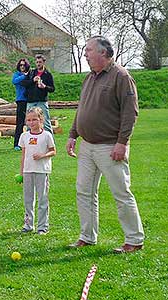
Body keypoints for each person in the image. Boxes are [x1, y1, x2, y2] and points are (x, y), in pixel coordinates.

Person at [66, 36, 144, 253]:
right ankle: (87, 236)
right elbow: (82, 109)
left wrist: (122, 142)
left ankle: (134, 239)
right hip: (87, 147)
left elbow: (130, 113)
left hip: (110, 147)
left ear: (104, 52)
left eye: (88, 50)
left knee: (121, 193)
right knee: (84, 191)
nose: (85, 54)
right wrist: (73, 134)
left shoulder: (121, 76)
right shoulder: (89, 78)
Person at [18, 107, 56, 235]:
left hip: (42, 171)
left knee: (42, 199)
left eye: (34, 119)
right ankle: (28, 225)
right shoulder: (24, 136)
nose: (31, 122)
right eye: (29, 120)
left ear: (41, 120)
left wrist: (43, 155)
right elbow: (23, 155)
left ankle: (42, 227)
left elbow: (53, 151)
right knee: (28, 199)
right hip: (28, 171)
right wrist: (21, 172)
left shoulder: (46, 135)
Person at [22, 54, 55, 134]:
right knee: (29, 123)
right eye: (37, 62)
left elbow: (52, 89)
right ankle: (29, 143)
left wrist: (45, 87)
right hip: (31, 101)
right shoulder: (31, 73)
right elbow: (24, 83)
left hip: (42, 101)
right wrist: (32, 80)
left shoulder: (48, 74)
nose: (38, 64)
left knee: (46, 123)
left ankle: (50, 143)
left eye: (40, 62)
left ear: (44, 63)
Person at [12, 58, 31, 151]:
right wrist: (24, 76)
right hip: (21, 100)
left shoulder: (29, 74)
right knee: (19, 123)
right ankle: (17, 144)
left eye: (24, 65)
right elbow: (14, 81)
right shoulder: (17, 75)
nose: (22, 67)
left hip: (29, 100)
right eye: (20, 65)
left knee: (30, 122)